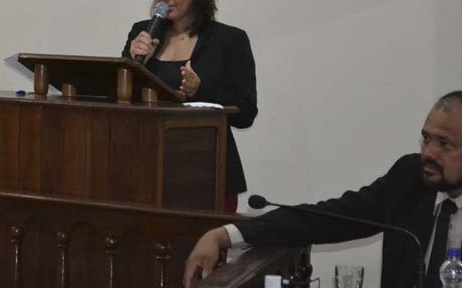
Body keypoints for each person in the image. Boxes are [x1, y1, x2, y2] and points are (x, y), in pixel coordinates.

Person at [182, 92, 462, 288]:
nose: (429, 153)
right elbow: (327, 219)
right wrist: (225, 235)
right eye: (426, 139)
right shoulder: (409, 179)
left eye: (444, 144)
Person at [122, 0, 257, 213]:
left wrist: (202, 91)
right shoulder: (142, 33)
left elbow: (246, 113)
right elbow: (120, 100)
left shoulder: (229, 40)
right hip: (147, 171)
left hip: (209, 173)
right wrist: (133, 65)